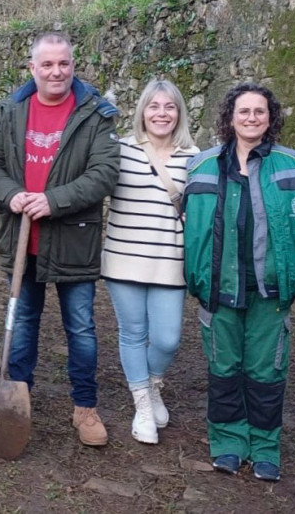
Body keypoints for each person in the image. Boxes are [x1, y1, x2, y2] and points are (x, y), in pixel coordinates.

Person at [0, 32, 120, 447]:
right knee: (22, 324)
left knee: (81, 328)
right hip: (22, 239)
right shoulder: (13, 110)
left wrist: (53, 201)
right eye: (48, 64)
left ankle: (86, 408)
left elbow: (104, 173)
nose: (56, 71)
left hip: (73, 239)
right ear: (32, 69)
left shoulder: (94, 114)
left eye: (64, 64)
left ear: (73, 65)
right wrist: (10, 194)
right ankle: (17, 399)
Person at [184, 82, 295, 482]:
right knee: (224, 369)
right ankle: (228, 442)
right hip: (220, 289)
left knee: (267, 372)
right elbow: (194, 231)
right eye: (244, 111)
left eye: (260, 111)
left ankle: (266, 446)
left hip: (269, 291)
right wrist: (198, 277)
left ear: (270, 117)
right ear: (230, 117)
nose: (252, 117)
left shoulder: (292, 164)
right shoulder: (202, 166)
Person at [101, 80, 199, 445]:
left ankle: (154, 385)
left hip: (170, 259)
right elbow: (93, 183)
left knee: (168, 338)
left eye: (169, 106)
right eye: (154, 106)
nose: (161, 113)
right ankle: (143, 405)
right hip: (124, 258)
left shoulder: (194, 155)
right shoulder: (120, 150)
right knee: (133, 332)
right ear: (142, 111)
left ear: (179, 113)